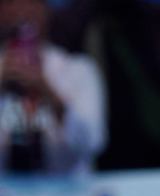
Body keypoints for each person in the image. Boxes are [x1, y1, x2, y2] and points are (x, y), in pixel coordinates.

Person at [0, 0, 105, 174]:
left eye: (31, 3)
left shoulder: (77, 70)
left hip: (68, 194)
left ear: (46, 10)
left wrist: (46, 90)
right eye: (11, 3)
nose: (21, 11)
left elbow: (92, 142)